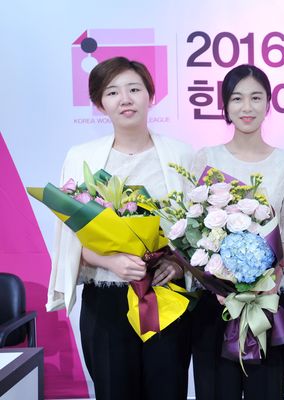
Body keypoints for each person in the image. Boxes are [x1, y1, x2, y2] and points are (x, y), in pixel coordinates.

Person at [46, 56, 193, 400]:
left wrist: (177, 263)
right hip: (106, 298)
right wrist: (108, 261)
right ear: (100, 104)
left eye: (134, 89)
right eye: (112, 92)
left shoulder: (182, 155)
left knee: (168, 390)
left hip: (165, 295)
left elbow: (196, 229)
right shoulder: (82, 158)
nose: (125, 99)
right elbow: (70, 237)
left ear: (150, 96)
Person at [189, 64, 284, 400]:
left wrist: (271, 275)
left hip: (268, 297)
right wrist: (219, 282)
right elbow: (194, 227)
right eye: (237, 98)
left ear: (269, 103)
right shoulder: (205, 158)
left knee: (265, 390)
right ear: (225, 105)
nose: (247, 107)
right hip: (215, 299)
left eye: (256, 97)